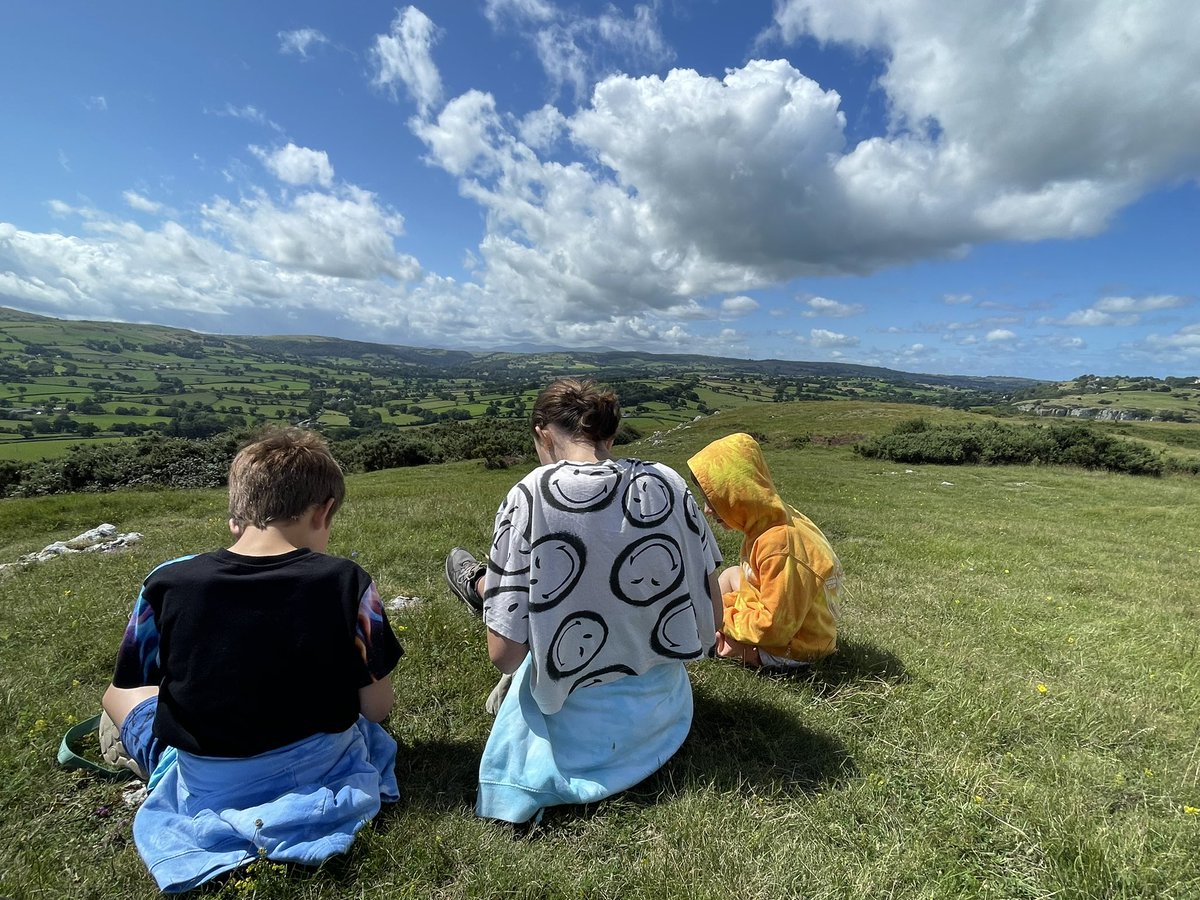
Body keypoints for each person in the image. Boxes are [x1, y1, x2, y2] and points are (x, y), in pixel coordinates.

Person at [100, 427, 403, 894]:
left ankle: (127, 739)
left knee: (119, 695)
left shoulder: (166, 582)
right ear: (324, 511)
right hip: (318, 763)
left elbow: (128, 679)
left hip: (208, 778)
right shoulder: (348, 581)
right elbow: (376, 710)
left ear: (235, 517)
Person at [444, 378, 722, 824]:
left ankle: (485, 589)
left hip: (576, 735)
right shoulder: (667, 482)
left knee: (517, 612)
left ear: (541, 430)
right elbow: (714, 615)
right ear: (609, 437)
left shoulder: (531, 495)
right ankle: (486, 587)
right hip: (664, 715)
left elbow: (504, 657)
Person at [686, 432, 841, 670]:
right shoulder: (768, 520)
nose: (707, 510)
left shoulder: (779, 545)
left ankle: (706, 629)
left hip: (798, 646)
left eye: (714, 500)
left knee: (724, 645)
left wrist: (723, 618)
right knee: (730, 575)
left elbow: (773, 628)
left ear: (738, 495)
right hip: (790, 617)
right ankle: (704, 617)